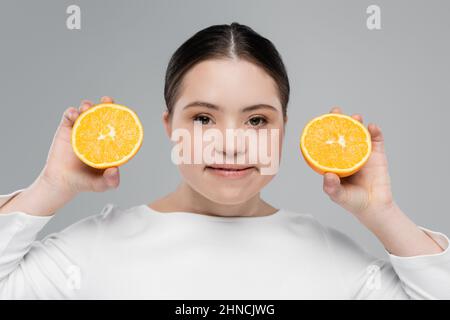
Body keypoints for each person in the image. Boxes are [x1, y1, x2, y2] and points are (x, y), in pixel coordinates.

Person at [0, 22, 449, 299]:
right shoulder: (89, 252)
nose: (231, 144)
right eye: (202, 119)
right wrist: (50, 188)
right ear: (168, 127)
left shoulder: (333, 259)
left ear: (284, 130)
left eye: (256, 120)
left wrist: (382, 214)